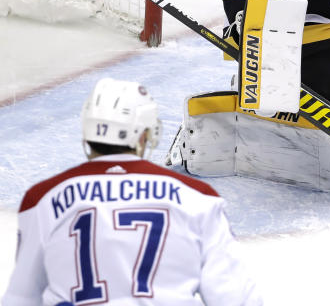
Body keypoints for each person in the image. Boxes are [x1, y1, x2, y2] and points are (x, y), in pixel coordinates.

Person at [1, 78, 262, 306]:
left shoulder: (43, 198)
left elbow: (22, 298)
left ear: (87, 133)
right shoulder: (198, 197)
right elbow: (235, 299)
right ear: (144, 136)